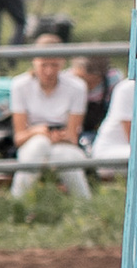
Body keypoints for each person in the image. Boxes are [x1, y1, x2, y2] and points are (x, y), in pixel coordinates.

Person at [9, 33, 90, 198]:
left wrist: (59, 136)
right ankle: (18, 202)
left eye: (54, 65)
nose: (49, 71)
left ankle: (83, 205)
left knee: (64, 155)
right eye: (43, 65)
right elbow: (19, 137)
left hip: (64, 145)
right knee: (39, 145)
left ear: (62, 63)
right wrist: (38, 131)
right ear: (34, 61)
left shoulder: (77, 87)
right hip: (32, 142)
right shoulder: (19, 85)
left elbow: (72, 137)